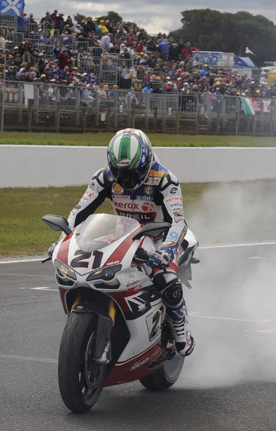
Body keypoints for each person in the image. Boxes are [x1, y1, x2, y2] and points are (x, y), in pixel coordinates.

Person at [49, 128, 195, 356]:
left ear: (146, 161)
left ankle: (181, 332)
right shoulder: (104, 177)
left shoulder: (165, 180)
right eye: (120, 172)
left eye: (133, 172)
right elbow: (79, 212)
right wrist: (62, 241)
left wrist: (167, 249)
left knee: (166, 279)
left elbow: (179, 221)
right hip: (124, 235)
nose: (126, 180)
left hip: (161, 238)